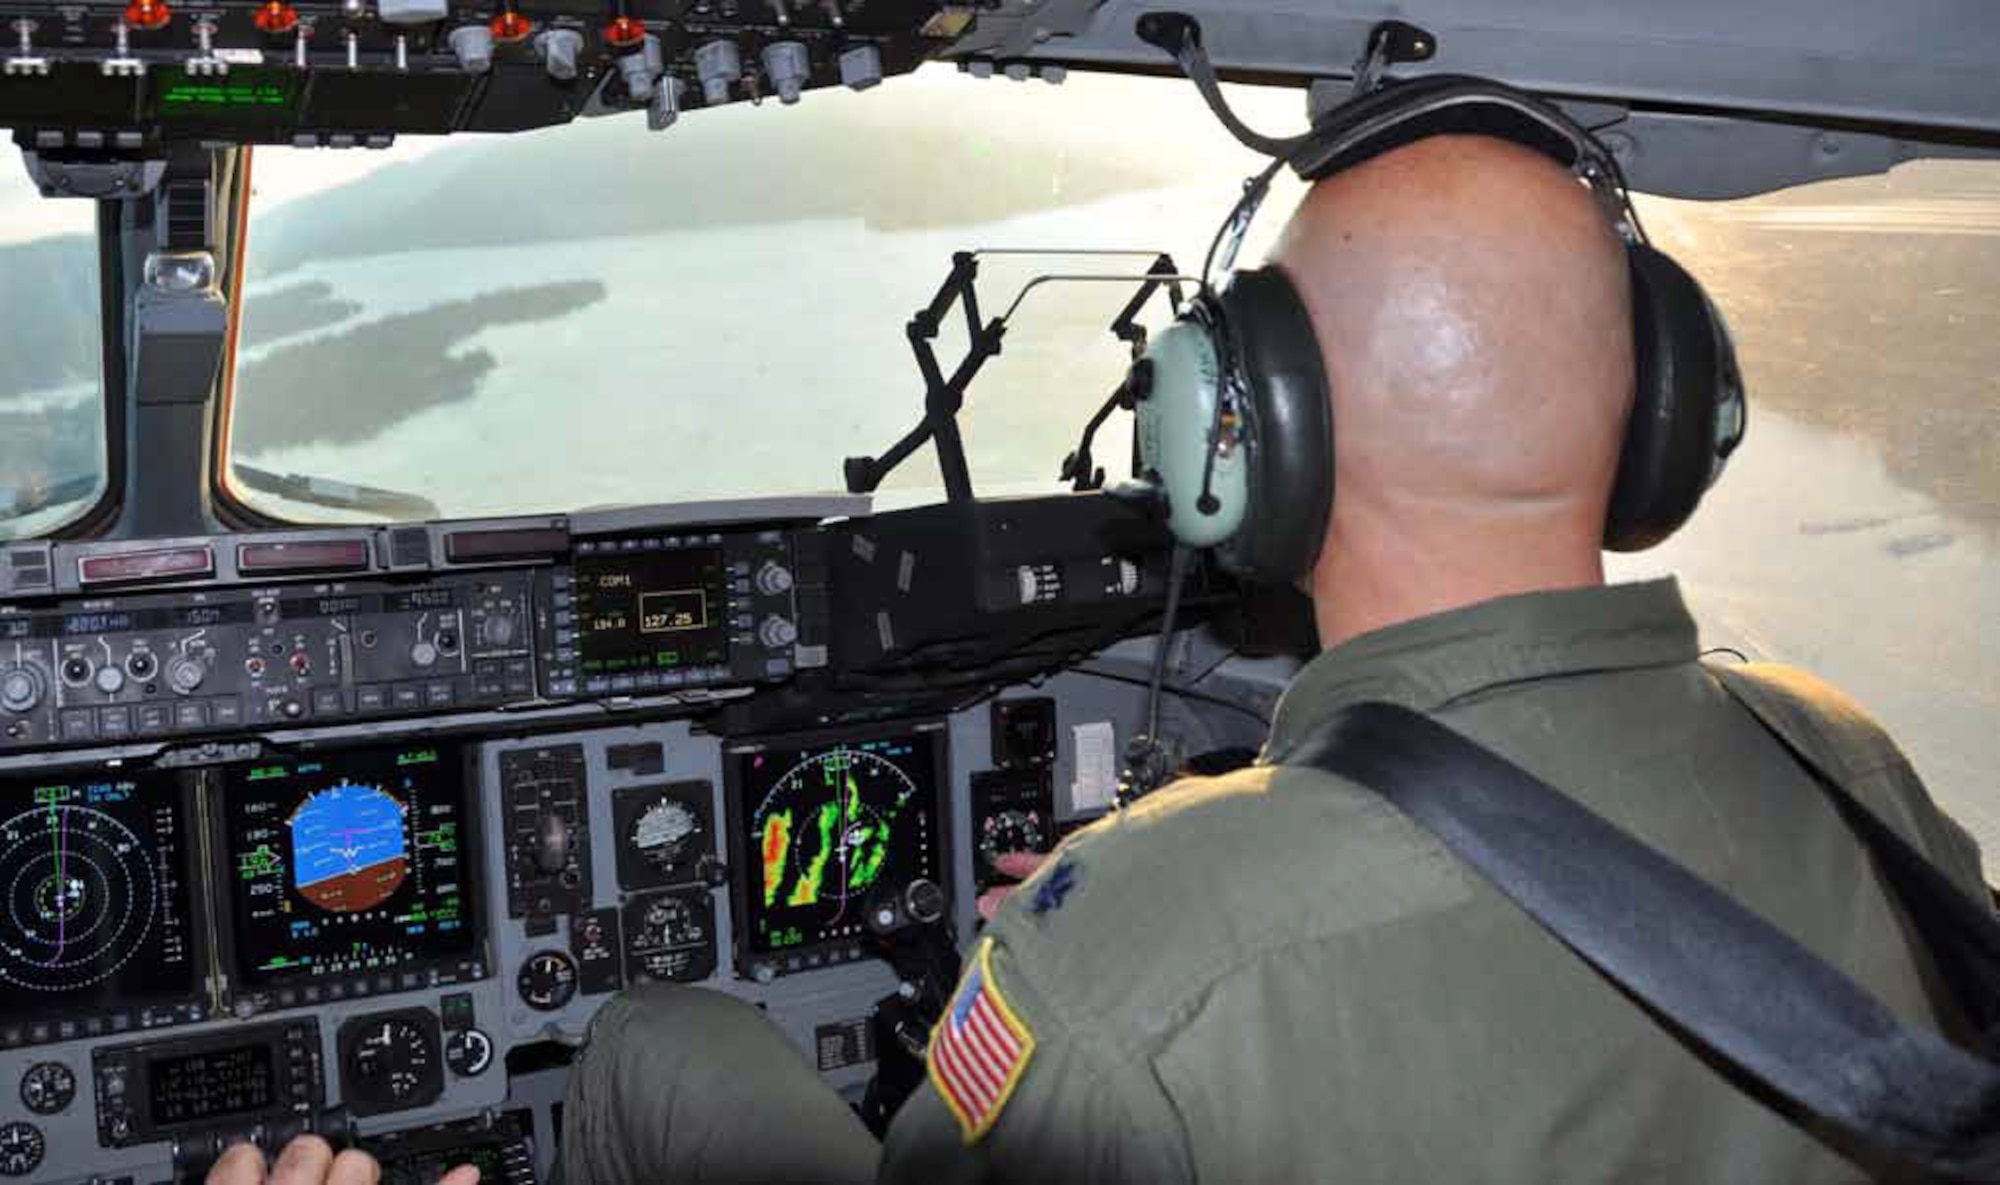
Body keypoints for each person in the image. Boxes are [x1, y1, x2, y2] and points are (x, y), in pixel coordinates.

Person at [217, 132, 1990, 1185]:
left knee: (656, 1038)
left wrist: (1119, 927)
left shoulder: (1123, 958)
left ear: (1242, 439)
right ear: (1667, 414)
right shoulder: (1851, 760)